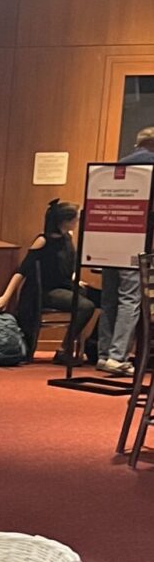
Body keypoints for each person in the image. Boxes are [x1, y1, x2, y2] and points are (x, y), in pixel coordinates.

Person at [0, 199, 98, 363]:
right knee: (86, 306)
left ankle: (94, 344)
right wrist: (5, 296)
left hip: (65, 286)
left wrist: (75, 279)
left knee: (107, 300)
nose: (77, 222)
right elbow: (22, 271)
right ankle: (64, 349)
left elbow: (68, 266)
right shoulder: (42, 241)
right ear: (65, 221)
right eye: (75, 219)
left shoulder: (67, 237)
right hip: (46, 291)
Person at [95, 127, 154, 376]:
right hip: (134, 240)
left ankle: (103, 353)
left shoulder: (115, 166)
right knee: (130, 300)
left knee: (109, 300)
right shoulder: (150, 166)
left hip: (108, 241)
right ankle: (118, 356)